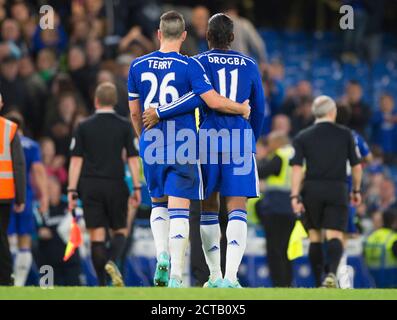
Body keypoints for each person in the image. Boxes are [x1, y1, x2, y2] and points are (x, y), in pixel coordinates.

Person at [142, 13, 265, 288]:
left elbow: (192, 100)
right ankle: (231, 278)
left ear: (207, 37)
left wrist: (159, 113)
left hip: (207, 139)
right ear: (232, 37)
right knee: (237, 208)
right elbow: (259, 108)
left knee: (209, 206)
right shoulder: (249, 63)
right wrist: (250, 138)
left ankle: (214, 275)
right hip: (239, 140)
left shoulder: (196, 62)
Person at [68, 82, 142, 287]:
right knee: (120, 231)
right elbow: (133, 159)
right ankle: (111, 261)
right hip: (115, 184)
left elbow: (76, 161)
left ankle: (101, 283)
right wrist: (136, 187)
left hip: (90, 186)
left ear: (96, 101)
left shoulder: (83, 126)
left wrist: (72, 189)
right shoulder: (124, 125)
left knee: (97, 235)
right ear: (115, 101)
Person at [290, 95, 363, 288]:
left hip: (312, 190)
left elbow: (297, 168)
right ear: (333, 112)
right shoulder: (346, 134)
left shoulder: (302, 136)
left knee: (314, 235)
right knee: (334, 234)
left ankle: (317, 282)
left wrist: (295, 194)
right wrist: (356, 189)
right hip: (337, 188)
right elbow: (357, 166)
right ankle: (331, 274)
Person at [5, 110, 49, 287]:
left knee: (6, 239)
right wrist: (44, 197)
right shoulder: (31, 145)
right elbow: (38, 172)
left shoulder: (3, 141)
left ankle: (8, 278)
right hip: (26, 196)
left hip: (4, 195)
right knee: (25, 239)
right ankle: (19, 284)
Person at [256, 131, 295, 287]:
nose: (268, 145)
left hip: (276, 208)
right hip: (291, 208)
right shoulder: (295, 155)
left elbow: (262, 171)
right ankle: (287, 282)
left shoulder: (280, 155)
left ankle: (279, 283)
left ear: (278, 142)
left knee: (274, 249)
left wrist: (259, 159)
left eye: (270, 142)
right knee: (285, 249)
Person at [0, 93, 26, 286]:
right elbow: (18, 165)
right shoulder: (9, 129)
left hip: (5, 193)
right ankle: (6, 277)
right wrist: (21, 198)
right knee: (1, 237)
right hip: (4, 193)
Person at [364, 209, 397, 288]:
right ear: (394, 222)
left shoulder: (371, 236)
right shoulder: (393, 238)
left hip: (372, 282)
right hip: (392, 282)